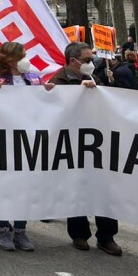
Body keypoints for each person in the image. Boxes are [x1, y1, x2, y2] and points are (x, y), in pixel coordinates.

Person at [52, 41, 122, 255]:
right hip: (71, 143)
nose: (92, 63)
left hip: (97, 143)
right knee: (76, 189)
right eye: (87, 60)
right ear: (73, 61)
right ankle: (79, 234)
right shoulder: (57, 81)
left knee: (104, 189)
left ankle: (107, 236)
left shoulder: (94, 78)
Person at [0, 42, 54, 251]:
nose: (25, 59)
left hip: (28, 140)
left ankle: (21, 230)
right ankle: (4, 229)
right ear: (8, 59)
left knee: (25, 186)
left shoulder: (33, 78)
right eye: (21, 56)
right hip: (3, 141)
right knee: (5, 185)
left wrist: (48, 91)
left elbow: (43, 103)